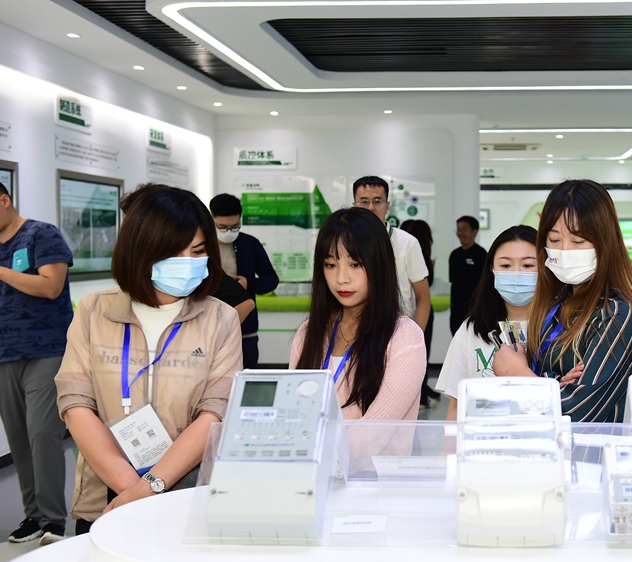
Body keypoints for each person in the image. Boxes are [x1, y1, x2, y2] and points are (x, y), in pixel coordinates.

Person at [56, 184, 242, 534]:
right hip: (107, 496)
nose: (188, 263)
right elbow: (75, 403)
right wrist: (132, 489)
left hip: (187, 496)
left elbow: (214, 412)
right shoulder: (94, 311)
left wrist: (151, 487)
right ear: (141, 251)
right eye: (173, 253)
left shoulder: (221, 319)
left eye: (198, 251)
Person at [493, 180, 632, 422]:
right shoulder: (559, 302)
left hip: (591, 445)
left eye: (578, 241)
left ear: (604, 241)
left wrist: (520, 374)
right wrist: (552, 383)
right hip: (545, 441)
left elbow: (575, 410)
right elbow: (550, 379)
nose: (565, 251)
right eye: (555, 240)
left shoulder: (615, 312)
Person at [289, 207, 426, 421]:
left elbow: (376, 431)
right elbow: (293, 414)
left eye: (355, 264)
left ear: (379, 264)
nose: (341, 278)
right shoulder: (308, 332)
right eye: (330, 265)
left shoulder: (404, 336)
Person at [0, 181, 72, 545]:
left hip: (46, 349)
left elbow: (50, 287)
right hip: (4, 354)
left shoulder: (41, 234)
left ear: (4, 200)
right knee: (18, 438)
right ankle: (33, 516)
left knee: (43, 433)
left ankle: (53, 520)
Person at [436, 225, 538, 420]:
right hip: (484, 437)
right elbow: (457, 406)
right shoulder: (472, 329)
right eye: (506, 266)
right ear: (492, 269)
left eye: (527, 265)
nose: (516, 273)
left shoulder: (561, 328)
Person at [351, 177, 430, 336]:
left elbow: (423, 298)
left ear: (387, 206)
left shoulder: (408, 242)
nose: (371, 207)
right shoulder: (345, 242)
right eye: (364, 201)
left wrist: (416, 338)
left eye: (377, 201)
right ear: (354, 206)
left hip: (399, 332)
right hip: (355, 332)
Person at [208, 193, 279, 369]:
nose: (229, 232)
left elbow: (271, 279)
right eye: (222, 227)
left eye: (235, 227)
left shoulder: (250, 244)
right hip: (209, 325)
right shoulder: (201, 246)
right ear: (211, 220)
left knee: (246, 373)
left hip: (245, 329)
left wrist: (249, 285)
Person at [400, 219, 440, 408]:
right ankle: (420, 397)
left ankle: (419, 395)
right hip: (419, 312)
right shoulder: (419, 254)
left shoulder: (408, 250)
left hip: (414, 311)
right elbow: (425, 290)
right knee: (420, 356)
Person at [449, 215, 487, 334]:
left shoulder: (481, 254)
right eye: (458, 230)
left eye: (464, 230)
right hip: (456, 311)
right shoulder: (455, 255)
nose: (460, 233)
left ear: (474, 232)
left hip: (475, 309)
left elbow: (485, 283)